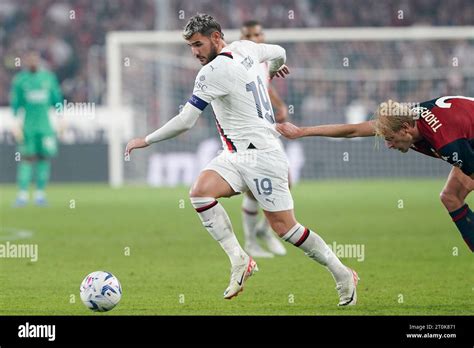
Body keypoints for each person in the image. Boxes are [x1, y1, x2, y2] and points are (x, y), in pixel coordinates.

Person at [125, 13, 358, 305]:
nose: (195, 52)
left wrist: (145, 140)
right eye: (190, 47)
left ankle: (342, 273)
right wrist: (271, 71)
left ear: (216, 37)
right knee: (200, 192)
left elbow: (186, 121)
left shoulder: (211, 73)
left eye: (198, 44)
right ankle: (239, 259)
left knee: (286, 228)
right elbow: (279, 53)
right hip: (234, 155)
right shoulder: (247, 48)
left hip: (262, 156)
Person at [277, 97, 474, 251]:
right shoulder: (403, 120)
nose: (388, 145)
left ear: (406, 128)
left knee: (451, 195)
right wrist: (302, 132)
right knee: (450, 197)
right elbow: (352, 130)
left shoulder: (446, 143)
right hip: (466, 136)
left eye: (390, 139)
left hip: (464, 139)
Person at [239, 19, 288, 258]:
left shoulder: (264, 61)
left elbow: (265, 88)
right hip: (246, 134)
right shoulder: (237, 60)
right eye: (249, 36)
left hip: (266, 130)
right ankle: (250, 242)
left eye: (257, 35)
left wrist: (279, 105)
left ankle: (265, 230)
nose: (254, 39)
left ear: (263, 36)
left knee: (285, 182)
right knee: (252, 189)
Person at [10, 51, 63, 207]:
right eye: (29, 59)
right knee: (27, 159)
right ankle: (23, 195)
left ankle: (40, 194)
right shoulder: (20, 80)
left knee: (43, 158)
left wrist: (61, 119)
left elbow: (57, 100)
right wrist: (14, 124)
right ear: (26, 62)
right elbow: (15, 105)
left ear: (39, 61)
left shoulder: (48, 78)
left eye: (35, 59)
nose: (32, 62)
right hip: (28, 128)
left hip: (45, 127)